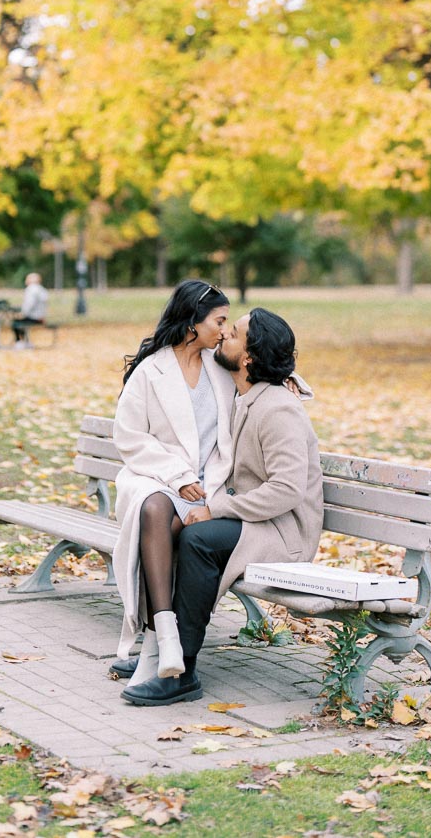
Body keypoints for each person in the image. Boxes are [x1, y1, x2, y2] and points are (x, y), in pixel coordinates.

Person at [121, 307, 324, 707]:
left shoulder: (278, 407)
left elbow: (286, 490)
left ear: (247, 357)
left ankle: (184, 670)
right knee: (168, 526)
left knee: (198, 538)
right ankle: (162, 650)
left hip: (284, 532)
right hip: (258, 521)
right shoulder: (245, 392)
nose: (222, 338)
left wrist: (216, 509)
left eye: (233, 335)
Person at [111, 280, 235, 689]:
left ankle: (156, 644)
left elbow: (267, 362)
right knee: (154, 511)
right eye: (219, 321)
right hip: (155, 477)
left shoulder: (221, 367)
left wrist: (291, 382)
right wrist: (177, 477)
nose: (224, 329)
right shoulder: (152, 370)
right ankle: (166, 638)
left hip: (207, 487)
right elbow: (130, 437)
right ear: (192, 324)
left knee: (166, 535)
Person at [12, 272, 49, 344]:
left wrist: (22, 313)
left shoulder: (31, 289)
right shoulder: (42, 289)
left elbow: (29, 304)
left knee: (16, 323)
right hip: (41, 317)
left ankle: (20, 342)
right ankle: (26, 341)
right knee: (20, 322)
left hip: (34, 317)